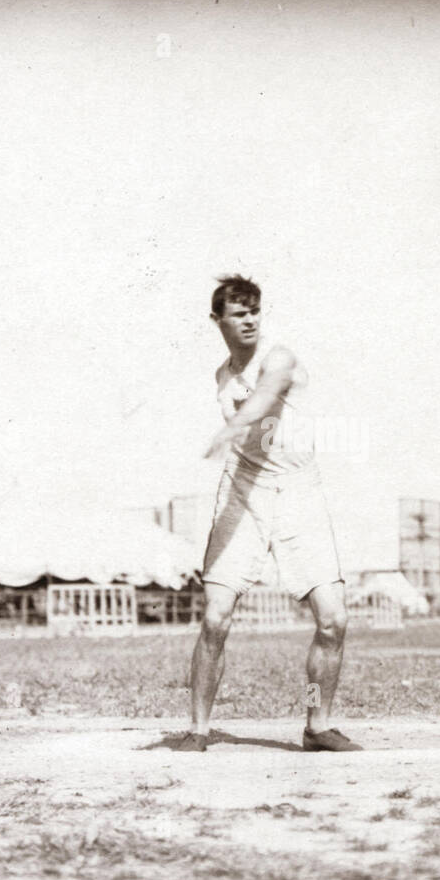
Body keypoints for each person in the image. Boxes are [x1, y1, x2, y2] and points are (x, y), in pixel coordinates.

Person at [176, 275, 358, 752]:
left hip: (299, 491)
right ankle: (198, 728)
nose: (250, 318)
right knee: (216, 617)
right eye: (238, 312)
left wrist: (233, 426)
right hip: (243, 493)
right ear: (218, 320)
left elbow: (267, 390)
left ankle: (317, 725)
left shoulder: (279, 358)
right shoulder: (221, 375)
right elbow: (244, 397)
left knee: (332, 619)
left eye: (255, 309)